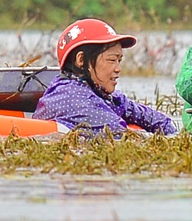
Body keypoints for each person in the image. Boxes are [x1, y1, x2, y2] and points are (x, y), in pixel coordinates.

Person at [36, 18, 178, 137]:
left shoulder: (102, 94)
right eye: (111, 60)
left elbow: (152, 117)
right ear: (81, 60)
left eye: (119, 60)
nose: (118, 69)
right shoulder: (69, 98)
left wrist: (172, 132)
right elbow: (121, 135)